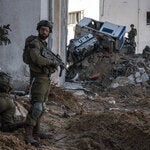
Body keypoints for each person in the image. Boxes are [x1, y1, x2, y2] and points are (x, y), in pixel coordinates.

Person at [24, 20, 58, 146]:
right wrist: (51, 62)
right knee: (37, 106)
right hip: (38, 79)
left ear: (49, 32)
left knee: (41, 107)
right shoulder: (34, 43)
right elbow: (36, 58)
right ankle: (28, 134)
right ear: (38, 30)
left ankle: (36, 132)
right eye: (42, 29)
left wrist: (54, 64)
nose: (44, 32)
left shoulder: (43, 45)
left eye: (47, 30)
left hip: (45, 79)